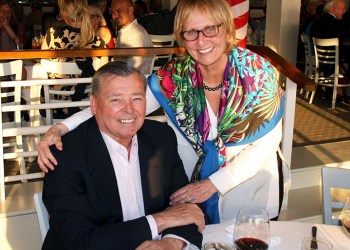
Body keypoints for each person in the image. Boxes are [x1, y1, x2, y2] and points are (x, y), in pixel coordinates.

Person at [37, 0, 287, 224]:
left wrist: (212, 185)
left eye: (211, 28)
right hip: (190, 192)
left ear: (227, 30)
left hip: (248, 193)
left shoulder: (258, 75)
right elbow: (119, 108)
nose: (201, 41)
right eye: (191, 32)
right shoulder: (173, 80)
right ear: (181, 37)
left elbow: (265, 145)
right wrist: (60, 128)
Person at [42, 61, 204, 249]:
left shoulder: (161, 138)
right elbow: (82, 242)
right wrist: (161, 220)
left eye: (137, 99)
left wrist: (170, 243)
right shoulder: (65, 156)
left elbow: (185, 207)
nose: (129, 109)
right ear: (94, 105)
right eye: (116, 100)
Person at [111, 0, 154, 75]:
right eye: (113, 12)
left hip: (132, 81)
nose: (115, 15)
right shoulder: (125, 31)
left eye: (119, 11)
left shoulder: (137, 34)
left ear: (130, 10)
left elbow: (132, 68)